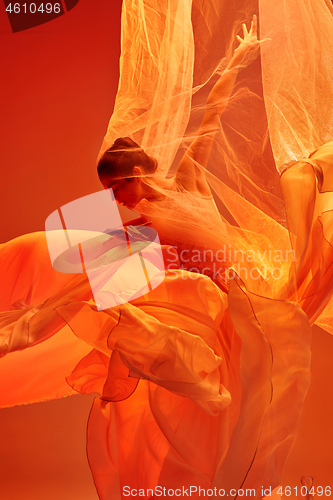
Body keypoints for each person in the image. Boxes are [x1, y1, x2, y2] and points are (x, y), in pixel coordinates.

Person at [0, 2, 333, 499]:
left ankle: (29, 330)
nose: (113, 200)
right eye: (110, 191)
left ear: (137, 177)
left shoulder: (182, 184)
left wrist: (235, 61)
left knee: (120, 317)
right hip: (172, 286)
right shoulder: (133, 225)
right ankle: (21, 329)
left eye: (116, 189)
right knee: (61, 274)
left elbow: (208, 122)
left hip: (213, 292)